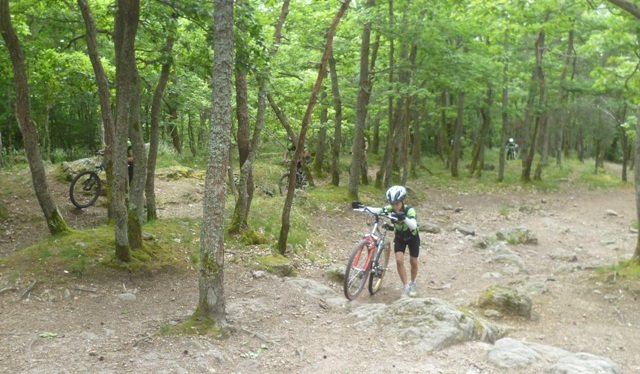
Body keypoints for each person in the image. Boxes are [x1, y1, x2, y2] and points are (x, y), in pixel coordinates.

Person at [366, 185, 420, 297]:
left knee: (413, 261)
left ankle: (413, 282)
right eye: (392, 204)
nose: (395, 207)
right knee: (399, 261)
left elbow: (414, 225)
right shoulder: (390, 208)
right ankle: (405, 286)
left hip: (412, 237)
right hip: (400, 237)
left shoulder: (409, 210)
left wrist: (403, 217)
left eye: (397, 204)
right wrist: (364, 207)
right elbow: (379, 210)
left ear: (402, 201)